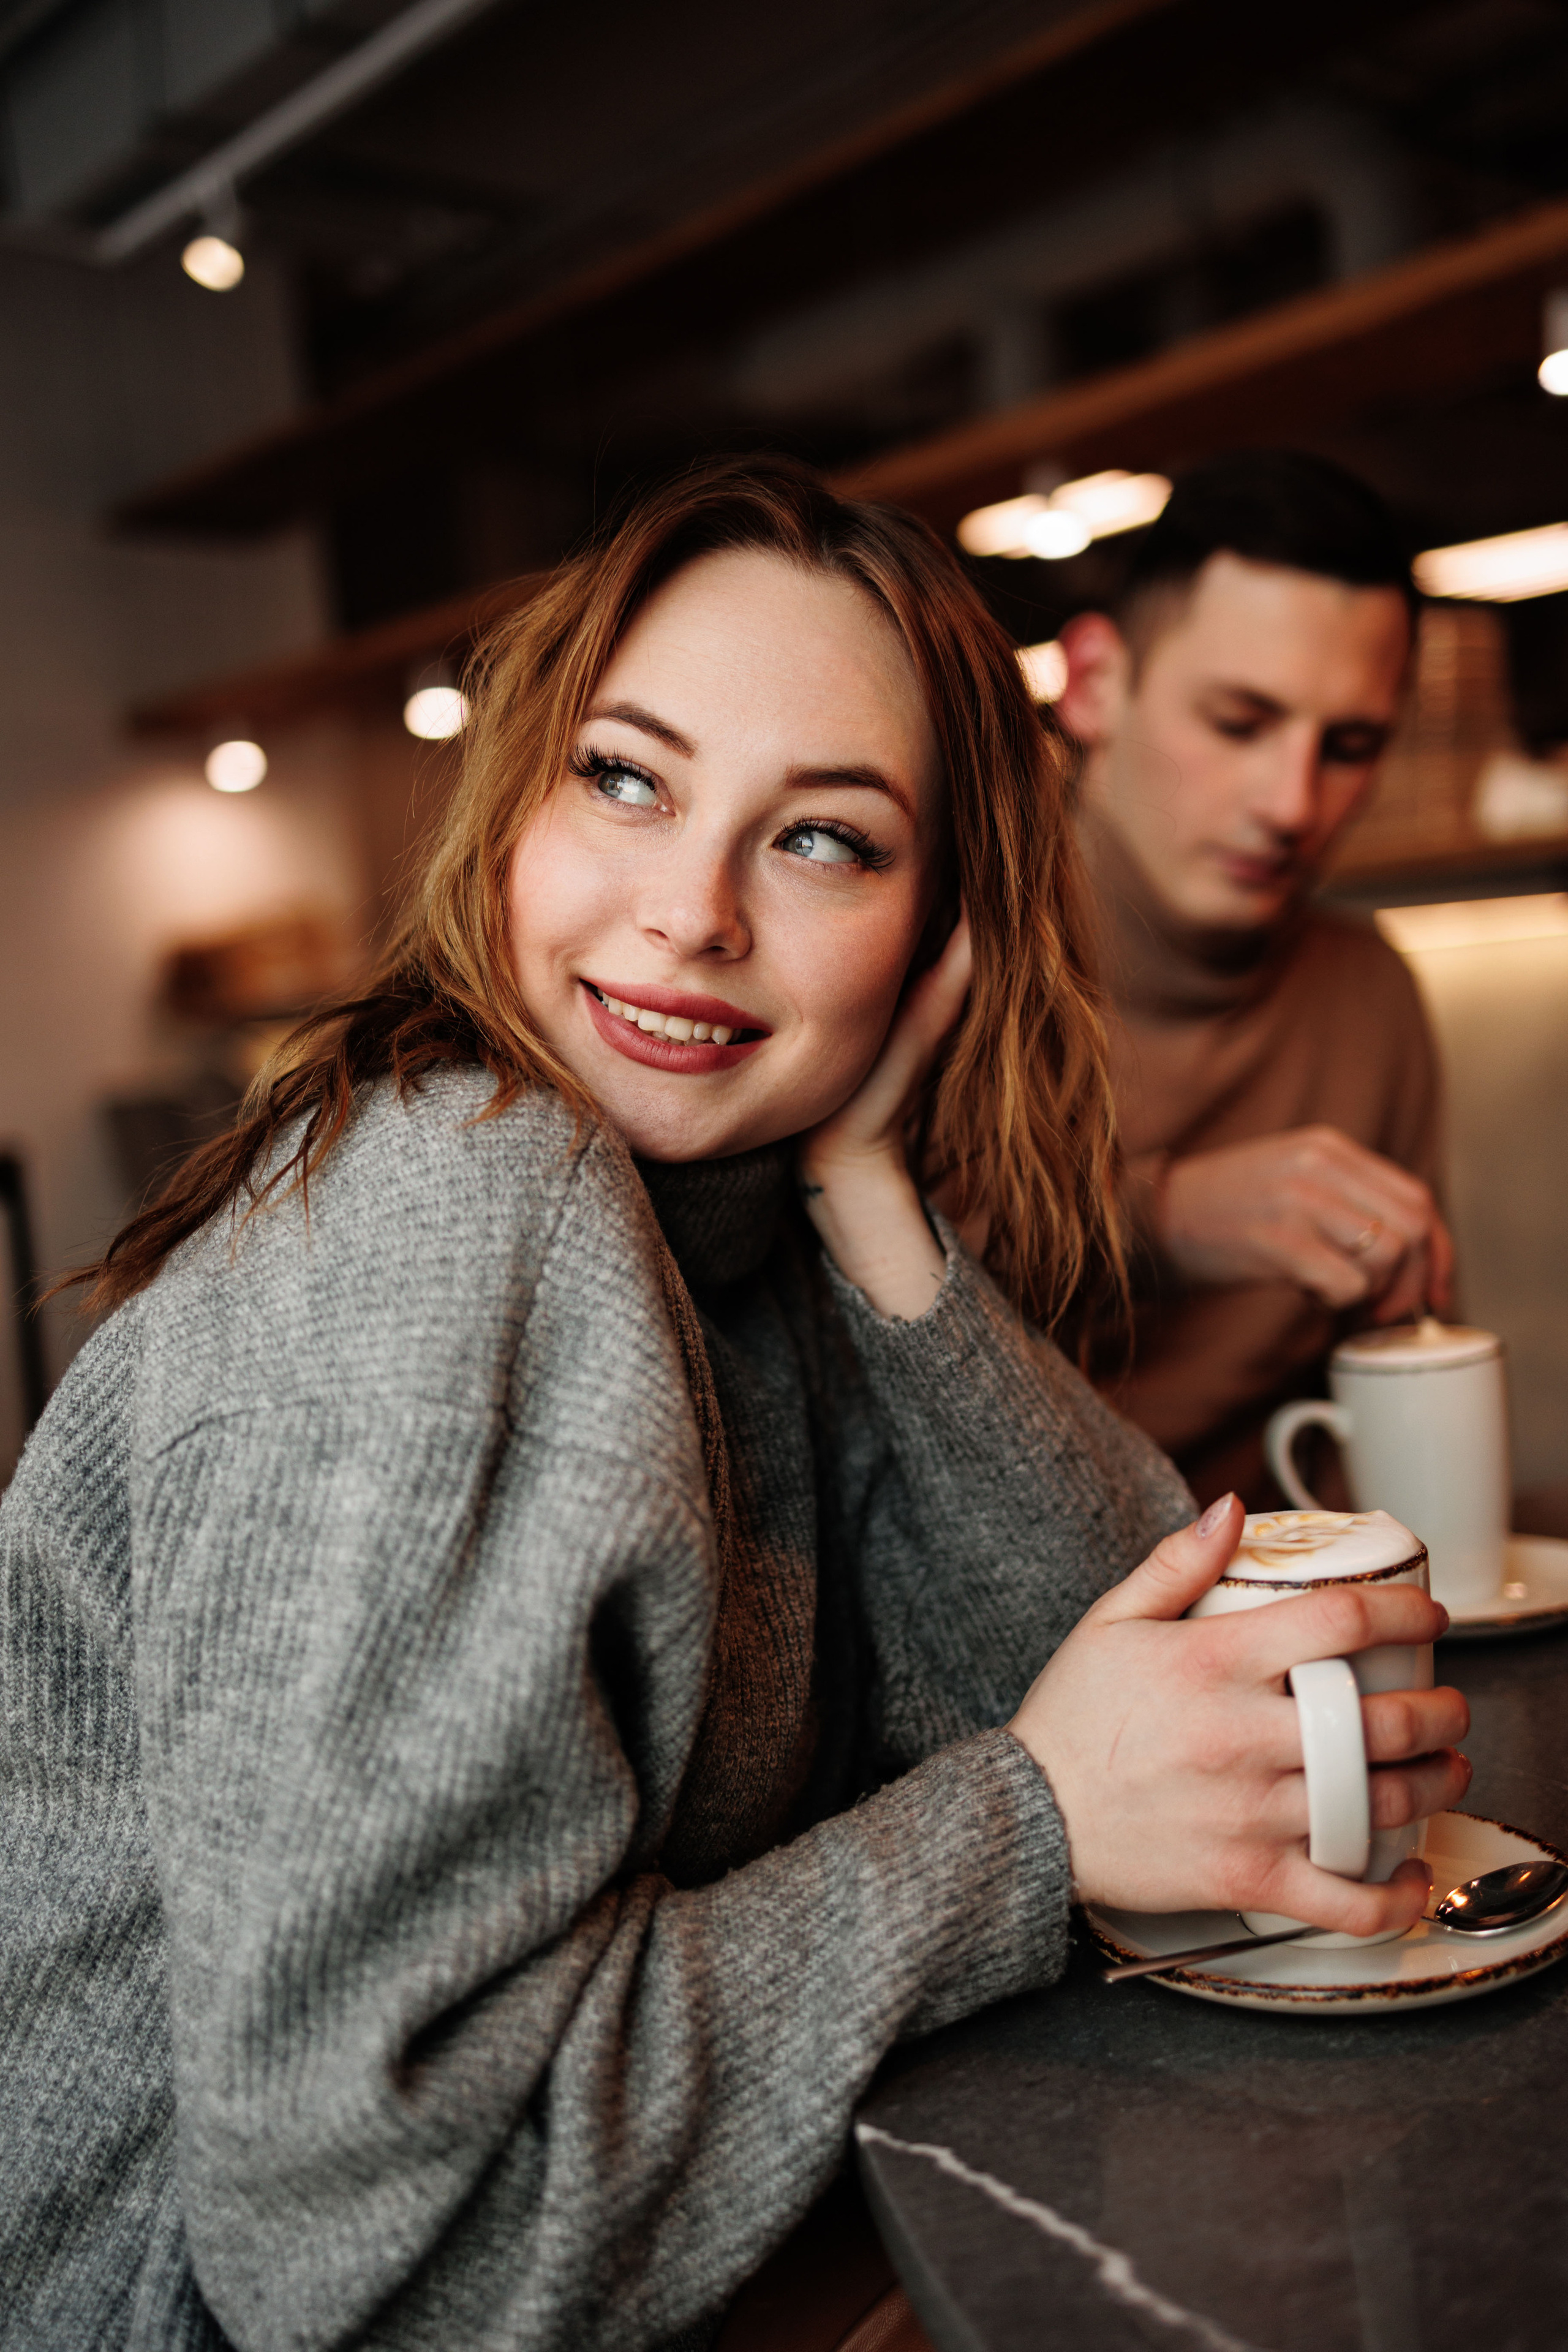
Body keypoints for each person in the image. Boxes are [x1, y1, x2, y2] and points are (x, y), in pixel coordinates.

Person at [0, 458, 1466, 2352]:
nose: (692, 910)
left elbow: (1137, 1699)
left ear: (942, 934)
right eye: (629, 778)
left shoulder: (747, 1226)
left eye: (825, 841)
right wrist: (1020, 1827)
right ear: (516, 809)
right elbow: (387, 2260)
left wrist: (880, 1198)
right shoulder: (457, 1209)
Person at [1055, 451, 1455, 1509]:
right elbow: (857, 1331)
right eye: (1239, 723)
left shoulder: (1371, 994)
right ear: (1095, 684)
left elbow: (1393, 1392)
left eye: (1351, 745)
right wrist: (1167, 1217)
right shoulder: (933, 946)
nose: (1291, 802)